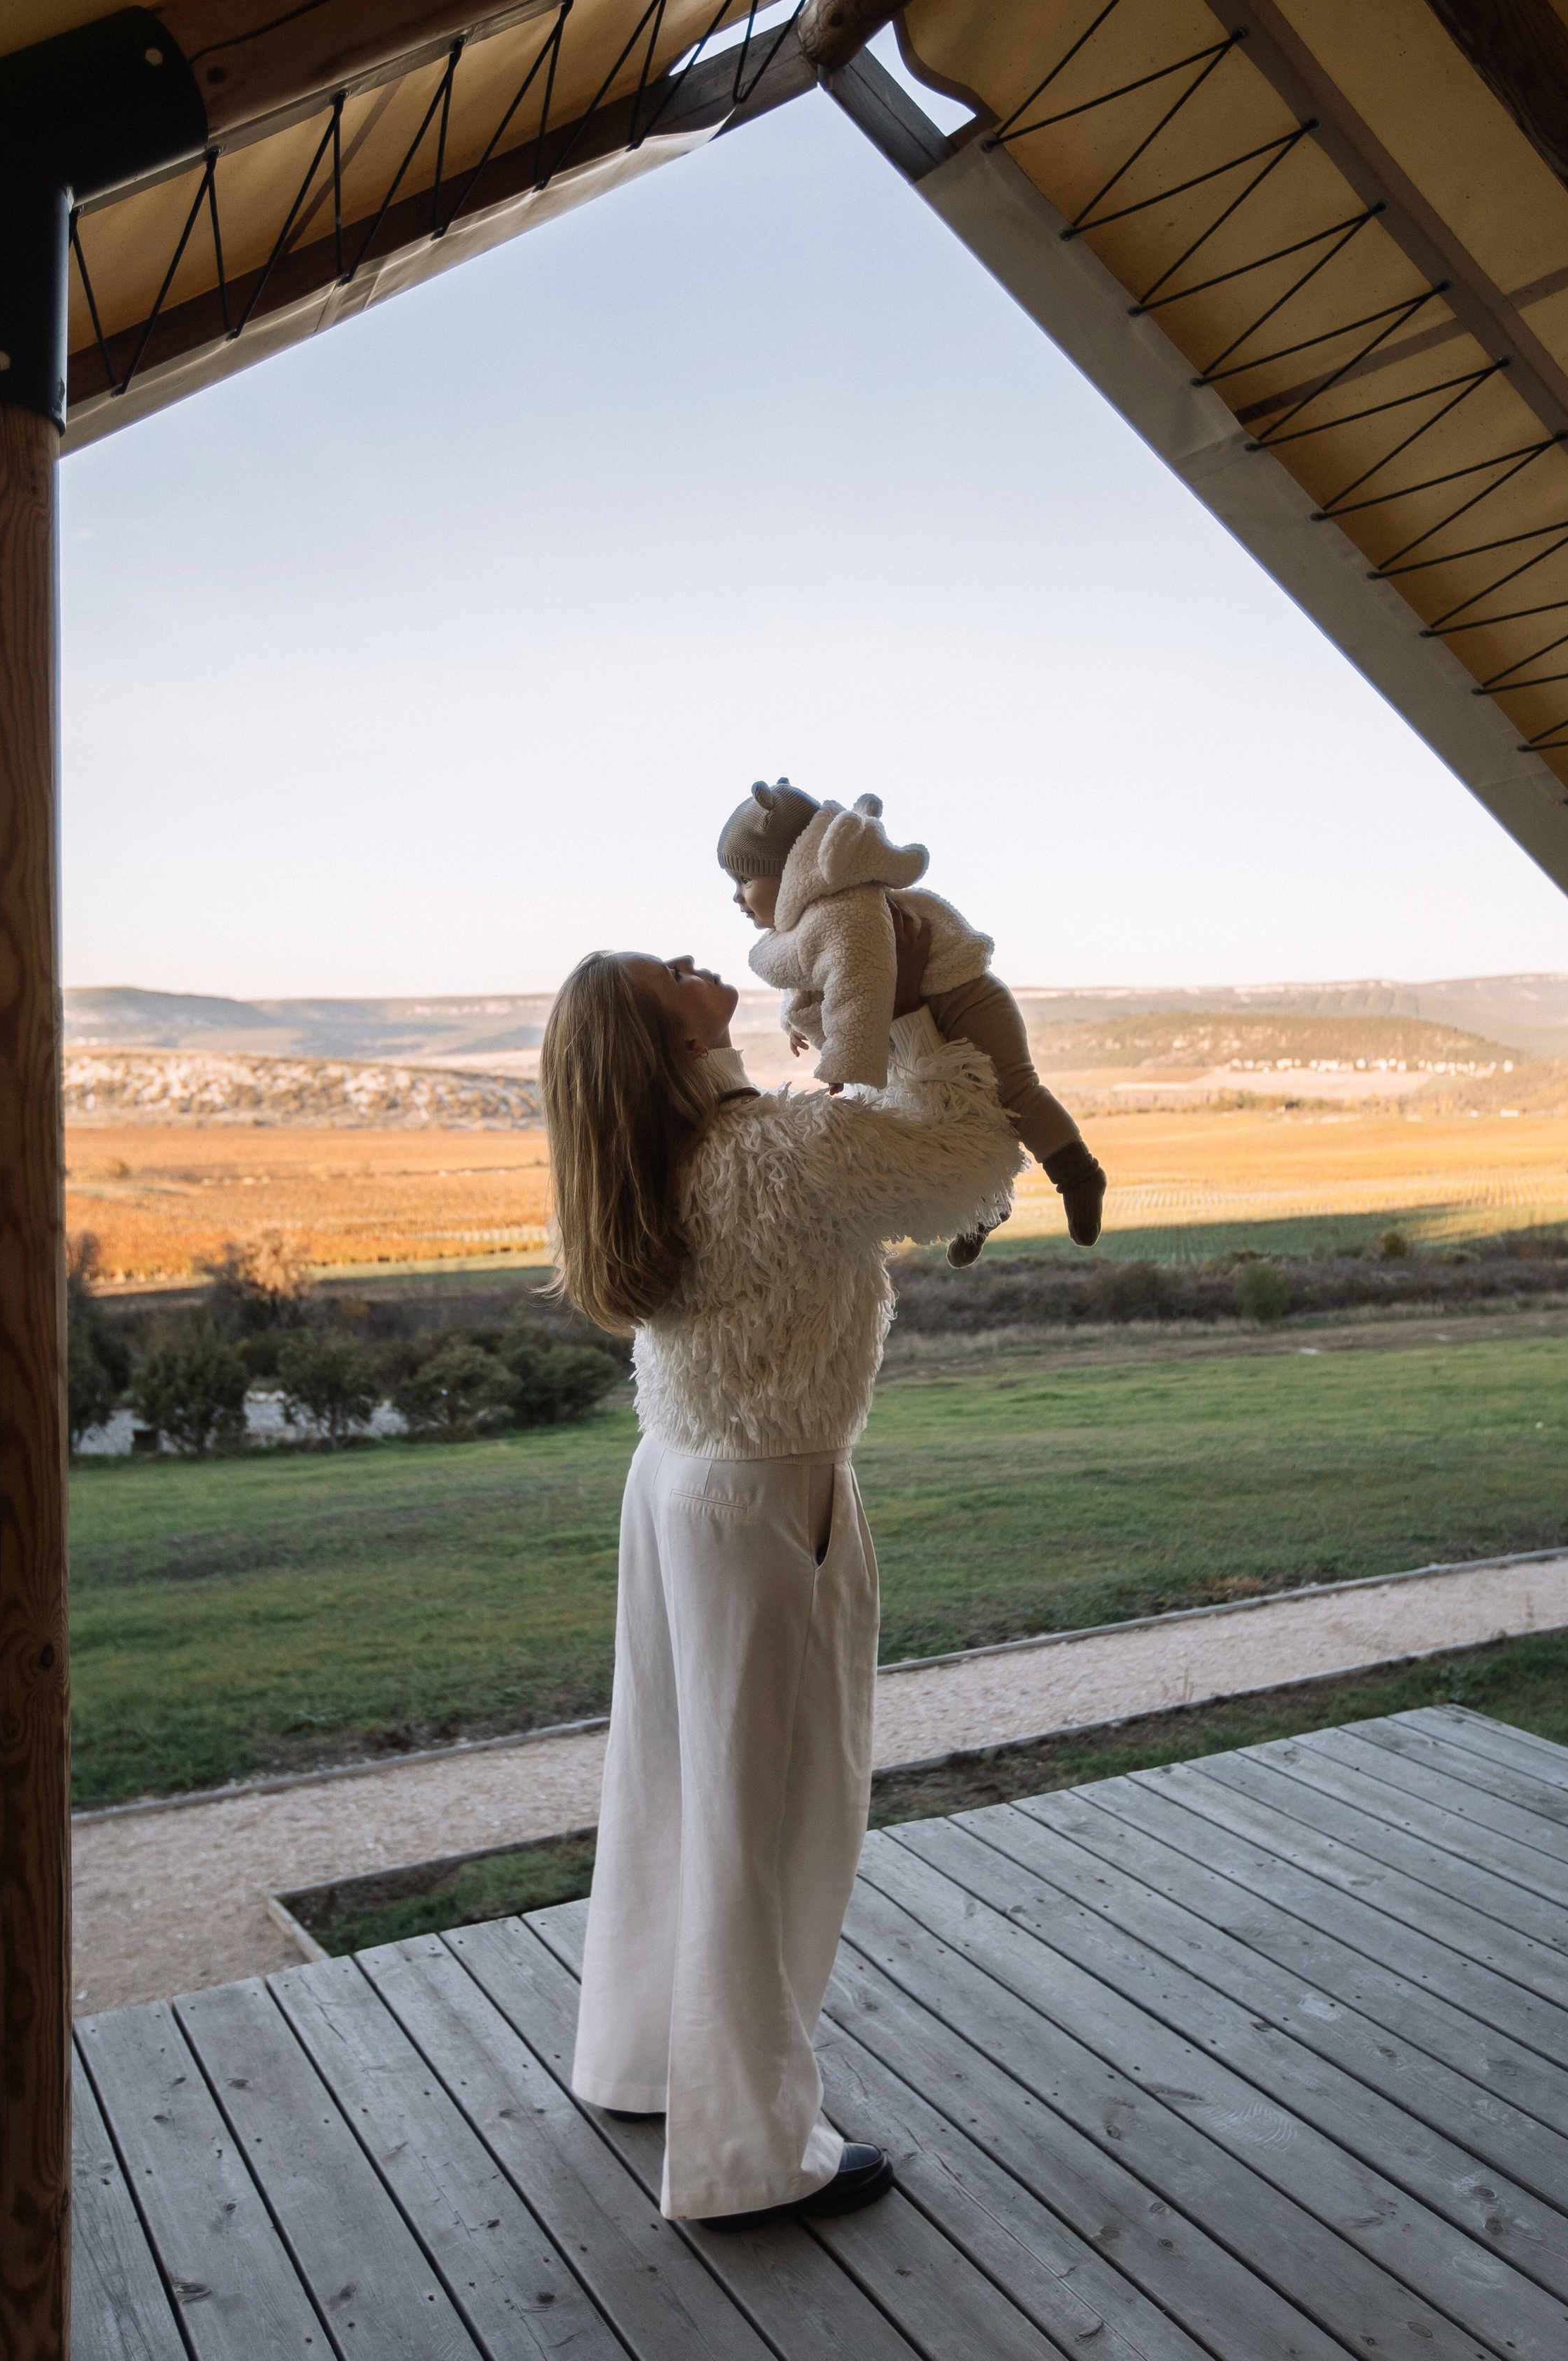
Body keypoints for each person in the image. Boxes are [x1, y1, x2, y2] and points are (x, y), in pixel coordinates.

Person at [541, 911, 1018, 2228]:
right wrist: (922, 1011)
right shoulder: (778, 1151)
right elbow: (970, 1164)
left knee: (672, 1795)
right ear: (661, 1039)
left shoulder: (653, 1159)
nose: (703, 967)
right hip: (768, 1500)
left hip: (679, 1481)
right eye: (673, 979)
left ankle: (640, 2059)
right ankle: (751, 2157)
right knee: (779, 1829)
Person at [718, 777, 1106, 1264]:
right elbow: (818, 972)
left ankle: (1077, 1173)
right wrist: (793, 1017)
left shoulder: (848, 910)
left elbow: (861, 985)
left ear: (790, 871)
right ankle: (979, 1207)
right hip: (923, 1011)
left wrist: (842, 1060)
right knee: (959, 1118)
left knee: (1015, 1092)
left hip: (965, 998)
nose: (736, 897)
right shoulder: (815, 917)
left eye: (745, 880)